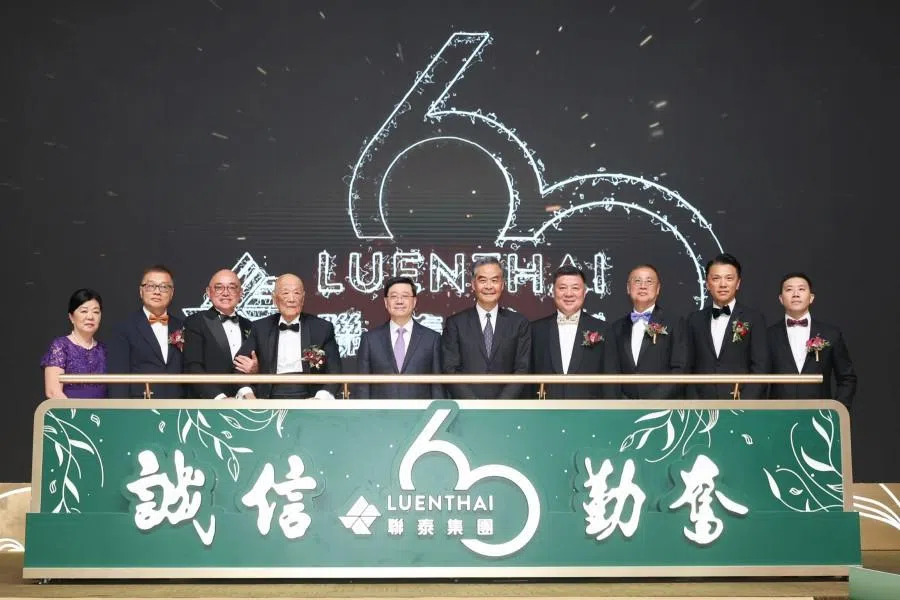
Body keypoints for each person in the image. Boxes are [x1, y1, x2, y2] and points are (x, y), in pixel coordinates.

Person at [235, 273, 341, 399]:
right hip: (269, 395)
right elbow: (238, 365)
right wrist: (248, 393)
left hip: (309, 396)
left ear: (303, 298)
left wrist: (320, 398)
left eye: (296, 293)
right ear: (274, 298)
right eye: (285, 293)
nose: (291, 299)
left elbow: (335, 371)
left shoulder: (322, 328)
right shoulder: (261, 327)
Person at [441, 257, 531, 399]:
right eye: (483, 280)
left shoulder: (518, 323)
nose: (489, 286)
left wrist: (500, 404)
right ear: (473, 284)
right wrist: (474, 404)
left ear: (502, 285)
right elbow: (450, 369)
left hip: (509, 407)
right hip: (466, 408)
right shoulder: (456, 323)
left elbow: (522, 368)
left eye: (495, 280)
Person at [684, 253, 768, 399]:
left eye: (729, 278)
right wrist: (695, 402)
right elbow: (688, 366)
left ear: (738, 283)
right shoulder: (694, 320)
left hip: (742, 405)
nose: (723, 284)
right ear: (707, 284)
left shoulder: (754, 318)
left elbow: (761, 367)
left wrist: (744, 403)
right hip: (701, 407)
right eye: (716, 278)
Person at [767, 272, 857, 407]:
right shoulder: (768, 335)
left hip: (819, 415)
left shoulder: (831, 334)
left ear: (811, 297)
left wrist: (837, 411)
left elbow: (847, 378)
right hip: (778, 416)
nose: (796, 294)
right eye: (789, 289)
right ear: (781, 298)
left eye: (801, 289)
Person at [604, 264, 687, 399]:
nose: (643, 286)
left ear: (658, 288)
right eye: (637, 281)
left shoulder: (675, 323)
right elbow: (611, 371)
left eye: (649, 281)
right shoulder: (616, 328)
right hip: (625, 410)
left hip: (664, 408)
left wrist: (652, 401)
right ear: (628, 288)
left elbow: (680, 368)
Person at [357, 276, 443, 399]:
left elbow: (437, 386)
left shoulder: (432, 339)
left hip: (421, 414)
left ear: (414, 301)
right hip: (380, 414)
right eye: (394, 296)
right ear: (386, 302)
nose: (399, 301)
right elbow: (362, 386)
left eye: (405, 296)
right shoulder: (370, 339)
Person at [107, 266, 185, 399]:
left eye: (164, 287)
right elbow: (118, 378)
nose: (157, 292)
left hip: (177, 408)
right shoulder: (124, 328)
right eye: (151, 286)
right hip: (140, 408)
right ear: (141, 291)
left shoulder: (183, 326)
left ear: (172, 293)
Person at [530, 266, 605, 399]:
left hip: (590, 412)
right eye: (562, 288)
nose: (569, 294)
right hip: (544, 411)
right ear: (553, 291)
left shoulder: (603, 329)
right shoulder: (535, 329)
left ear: (585, 292)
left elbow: (611, 379)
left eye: (575, 288)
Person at [182, 269, 258, 399]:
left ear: (241, 293)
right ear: (208, 292)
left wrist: (256, 371)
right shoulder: (195, 322)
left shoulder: (250, 325)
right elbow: (193, 368)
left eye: (232, 288)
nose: (226, 293)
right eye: (219, 288)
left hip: (246, 403)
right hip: (209, 404)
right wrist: (220, 398)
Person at [41, 288, 108, 399]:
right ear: (71, 317)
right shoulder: (60, 346)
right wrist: (77, 415)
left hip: (102, 414)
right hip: (69, 414)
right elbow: (53, 392)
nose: (90, 317)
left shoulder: (104, 349)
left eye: (96, 312)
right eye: (84, 311)